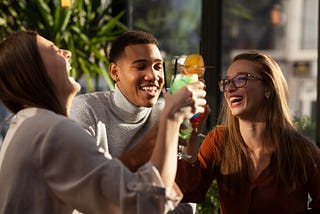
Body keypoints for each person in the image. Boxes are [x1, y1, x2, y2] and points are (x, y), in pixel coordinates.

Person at [0, 30, 207, 213]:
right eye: (55, 51)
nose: (68, 52)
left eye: (157, 66)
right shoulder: (52, 130)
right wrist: (172, 119)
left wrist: (186, 130)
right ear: (34, 70)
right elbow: (146, 205)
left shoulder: (31, 123)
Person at [176, 51, 320, 213]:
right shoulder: (218, 140)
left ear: (268, 88)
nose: (229, 88)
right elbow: (188, 192)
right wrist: (194, 131)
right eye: (227, 82)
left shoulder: (302, 151)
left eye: (240, 79)